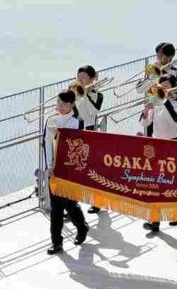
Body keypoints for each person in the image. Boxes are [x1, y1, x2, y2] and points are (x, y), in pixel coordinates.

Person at [141, 74, 177, 232]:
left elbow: (175, 119)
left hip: (173, 144)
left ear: (174, 88)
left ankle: (176, 214)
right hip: (157, 145)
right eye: (161, 88)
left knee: (173, 182)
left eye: (166, 87)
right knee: (156, 182)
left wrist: (164, 100)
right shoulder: (157, 104)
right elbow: (145, 124)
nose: (163, 91)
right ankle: (154, 220)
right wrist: (146, 112)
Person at [44, 90, 89, 255]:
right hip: (54, 170)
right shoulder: (50, 120)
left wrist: (60, 135)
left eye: (63, 104)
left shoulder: (77, 122)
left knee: (69, 204)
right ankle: (56, 243)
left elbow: (76, 145)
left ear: (72, 105)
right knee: (56, 208)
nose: (60, 107)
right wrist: (49, 166)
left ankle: (81, 227)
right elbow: (46, 144)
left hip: (70, 170)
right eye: (58, 103)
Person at [73, 65, 104, 213]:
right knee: (74, 168)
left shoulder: (97, 95)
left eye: (83, 78)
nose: (80, 80)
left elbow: (93, 111)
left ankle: (96, 201)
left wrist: (85, 94)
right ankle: (72, 203)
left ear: (92, 79)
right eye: (78, 77)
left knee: (91, 169)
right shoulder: (74, 92)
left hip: (89, 130)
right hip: (76, 131)